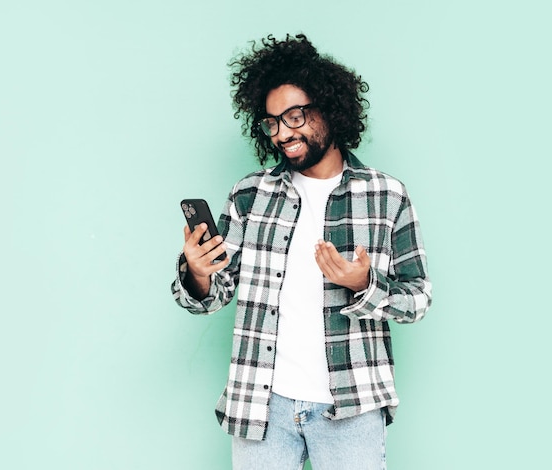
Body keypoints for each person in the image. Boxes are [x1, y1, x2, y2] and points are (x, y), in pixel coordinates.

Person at [171, 33, 432, 470]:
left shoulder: (386, 194)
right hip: (261, 405)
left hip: (352, 405)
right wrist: (197, 273)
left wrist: (364, 284)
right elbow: (215, 292)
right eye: (272, 122)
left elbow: (418, 298)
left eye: (295, 116)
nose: (283, 133)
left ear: (330, 109)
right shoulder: (250, 194)